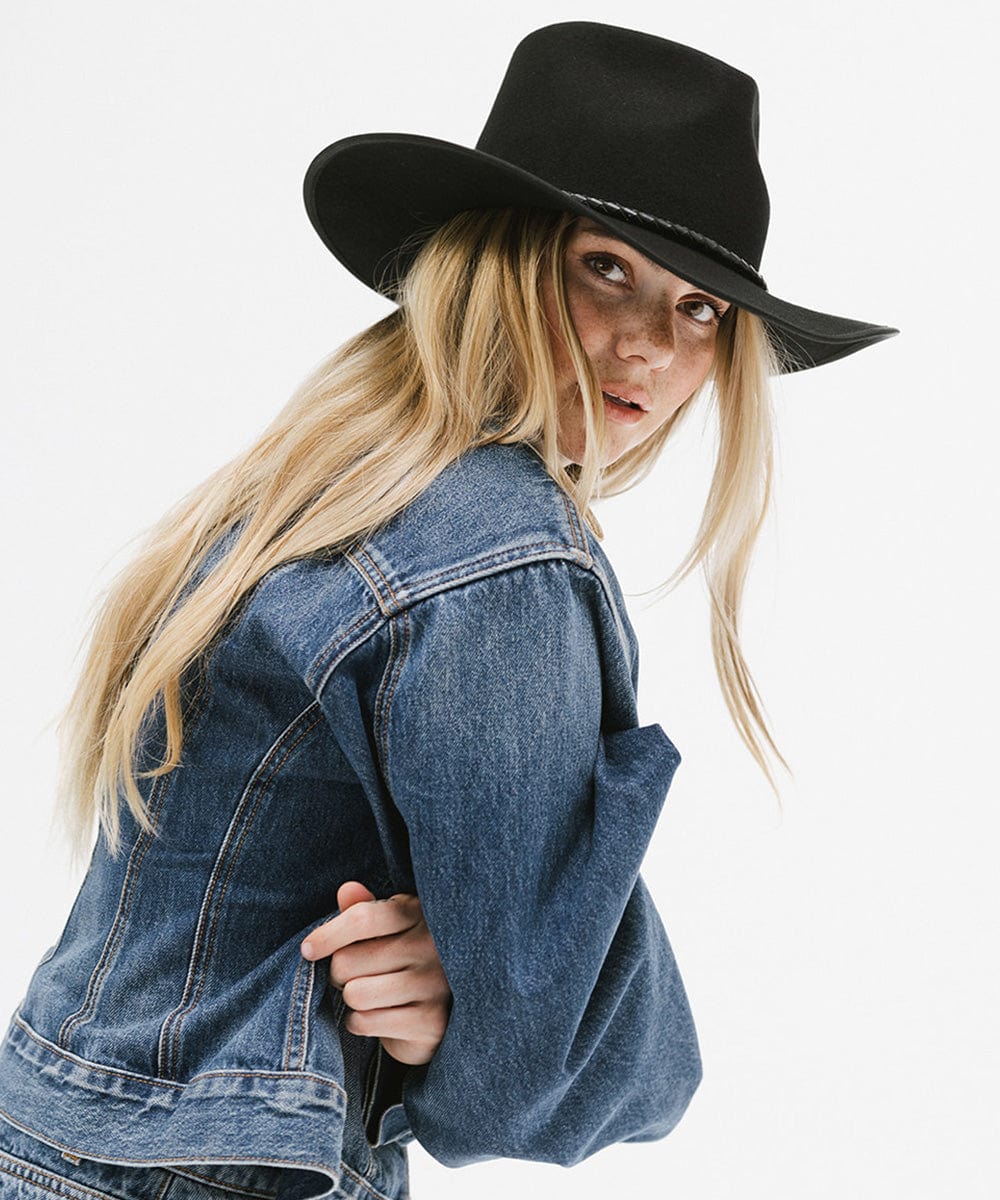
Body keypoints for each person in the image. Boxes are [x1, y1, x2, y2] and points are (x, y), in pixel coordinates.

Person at [0, 20, 896, 1200]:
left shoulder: (326, 476)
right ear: (495, 260)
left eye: (699, 310)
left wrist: (458, 978)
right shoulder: (500, 549)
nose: (648, 346)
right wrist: (489, 1009)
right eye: (605, 268)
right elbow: (532, 1067)